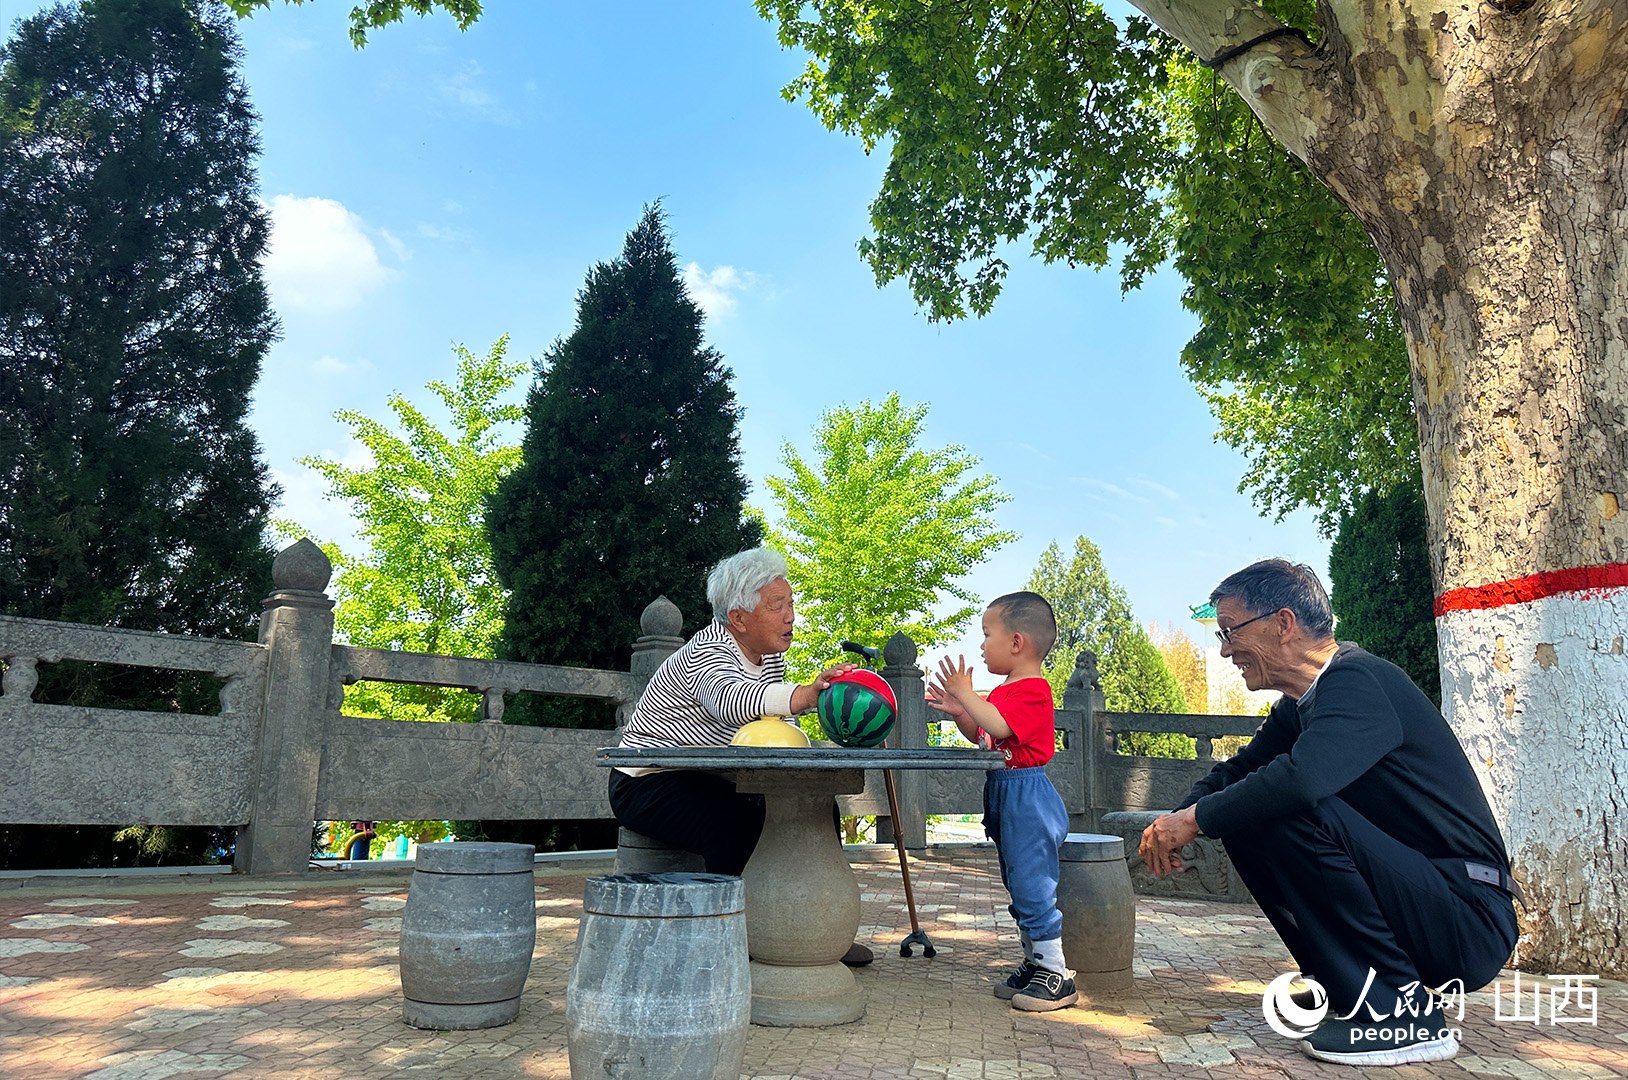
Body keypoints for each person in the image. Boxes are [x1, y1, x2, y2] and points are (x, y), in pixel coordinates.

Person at [1139, 559, 1519, 1066]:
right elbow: (1239, 772)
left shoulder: (1361, 681)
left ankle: (1401, 1013)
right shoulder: (1301, 705)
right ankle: (1348, 987)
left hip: (1469, 913)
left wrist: (1192, 822)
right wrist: (1172, 821)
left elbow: (1301, 780)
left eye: (1230, 631)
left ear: (1283, 622)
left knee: (1290, 807)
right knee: (1245, 812)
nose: (1226, 649)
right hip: (1425, 900)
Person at [607, 547, 872, 963]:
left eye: (791, 604)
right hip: (647, 780)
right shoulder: (707, 651)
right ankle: (732, 938)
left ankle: (820, 930)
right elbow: (734, 702)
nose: (790, 616)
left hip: (717, 776)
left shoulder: (770, 657)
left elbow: (774, 721)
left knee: (816, 806)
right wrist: (805, 695)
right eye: (777, 606)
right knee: (735, 819)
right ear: (739, 618)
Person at [928, 591, 1075, 1012]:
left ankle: (1056, 974)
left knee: (1033, 886)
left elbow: (1000, 726)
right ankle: (1035, 963)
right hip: (1005, 791)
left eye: (987, 634)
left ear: (1016, 642)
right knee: (1017, 884)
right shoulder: (1004, 691)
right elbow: (984, 735)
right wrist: (961, 710)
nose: (981, 645)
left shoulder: (1033, 690)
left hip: (1028, 796)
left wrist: (968, 694)